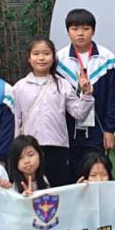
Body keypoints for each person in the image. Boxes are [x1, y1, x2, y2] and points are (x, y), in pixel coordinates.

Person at [12, 37, 94, 186]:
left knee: (57, 189)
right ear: (29, 58)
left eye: (46, 53)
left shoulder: (63, 85)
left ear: (53, 57)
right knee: (33, 188)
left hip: (58, 147)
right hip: (29, 149)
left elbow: (79, 113)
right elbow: (17, 120)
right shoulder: (19, 87)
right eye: (36, 54)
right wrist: (17, 149)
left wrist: (86, 94)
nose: (41, 58)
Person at [56, 9, 115, 176]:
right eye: (75, 29)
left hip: (97, 128)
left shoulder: (106, 58)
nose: (80, 33)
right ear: (68, 32)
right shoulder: (59, 60)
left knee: (97, 170)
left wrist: (110, 129)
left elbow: (113, 97)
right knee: (71, 173)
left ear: (93, 31)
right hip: (68, 129)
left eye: (86, 29)